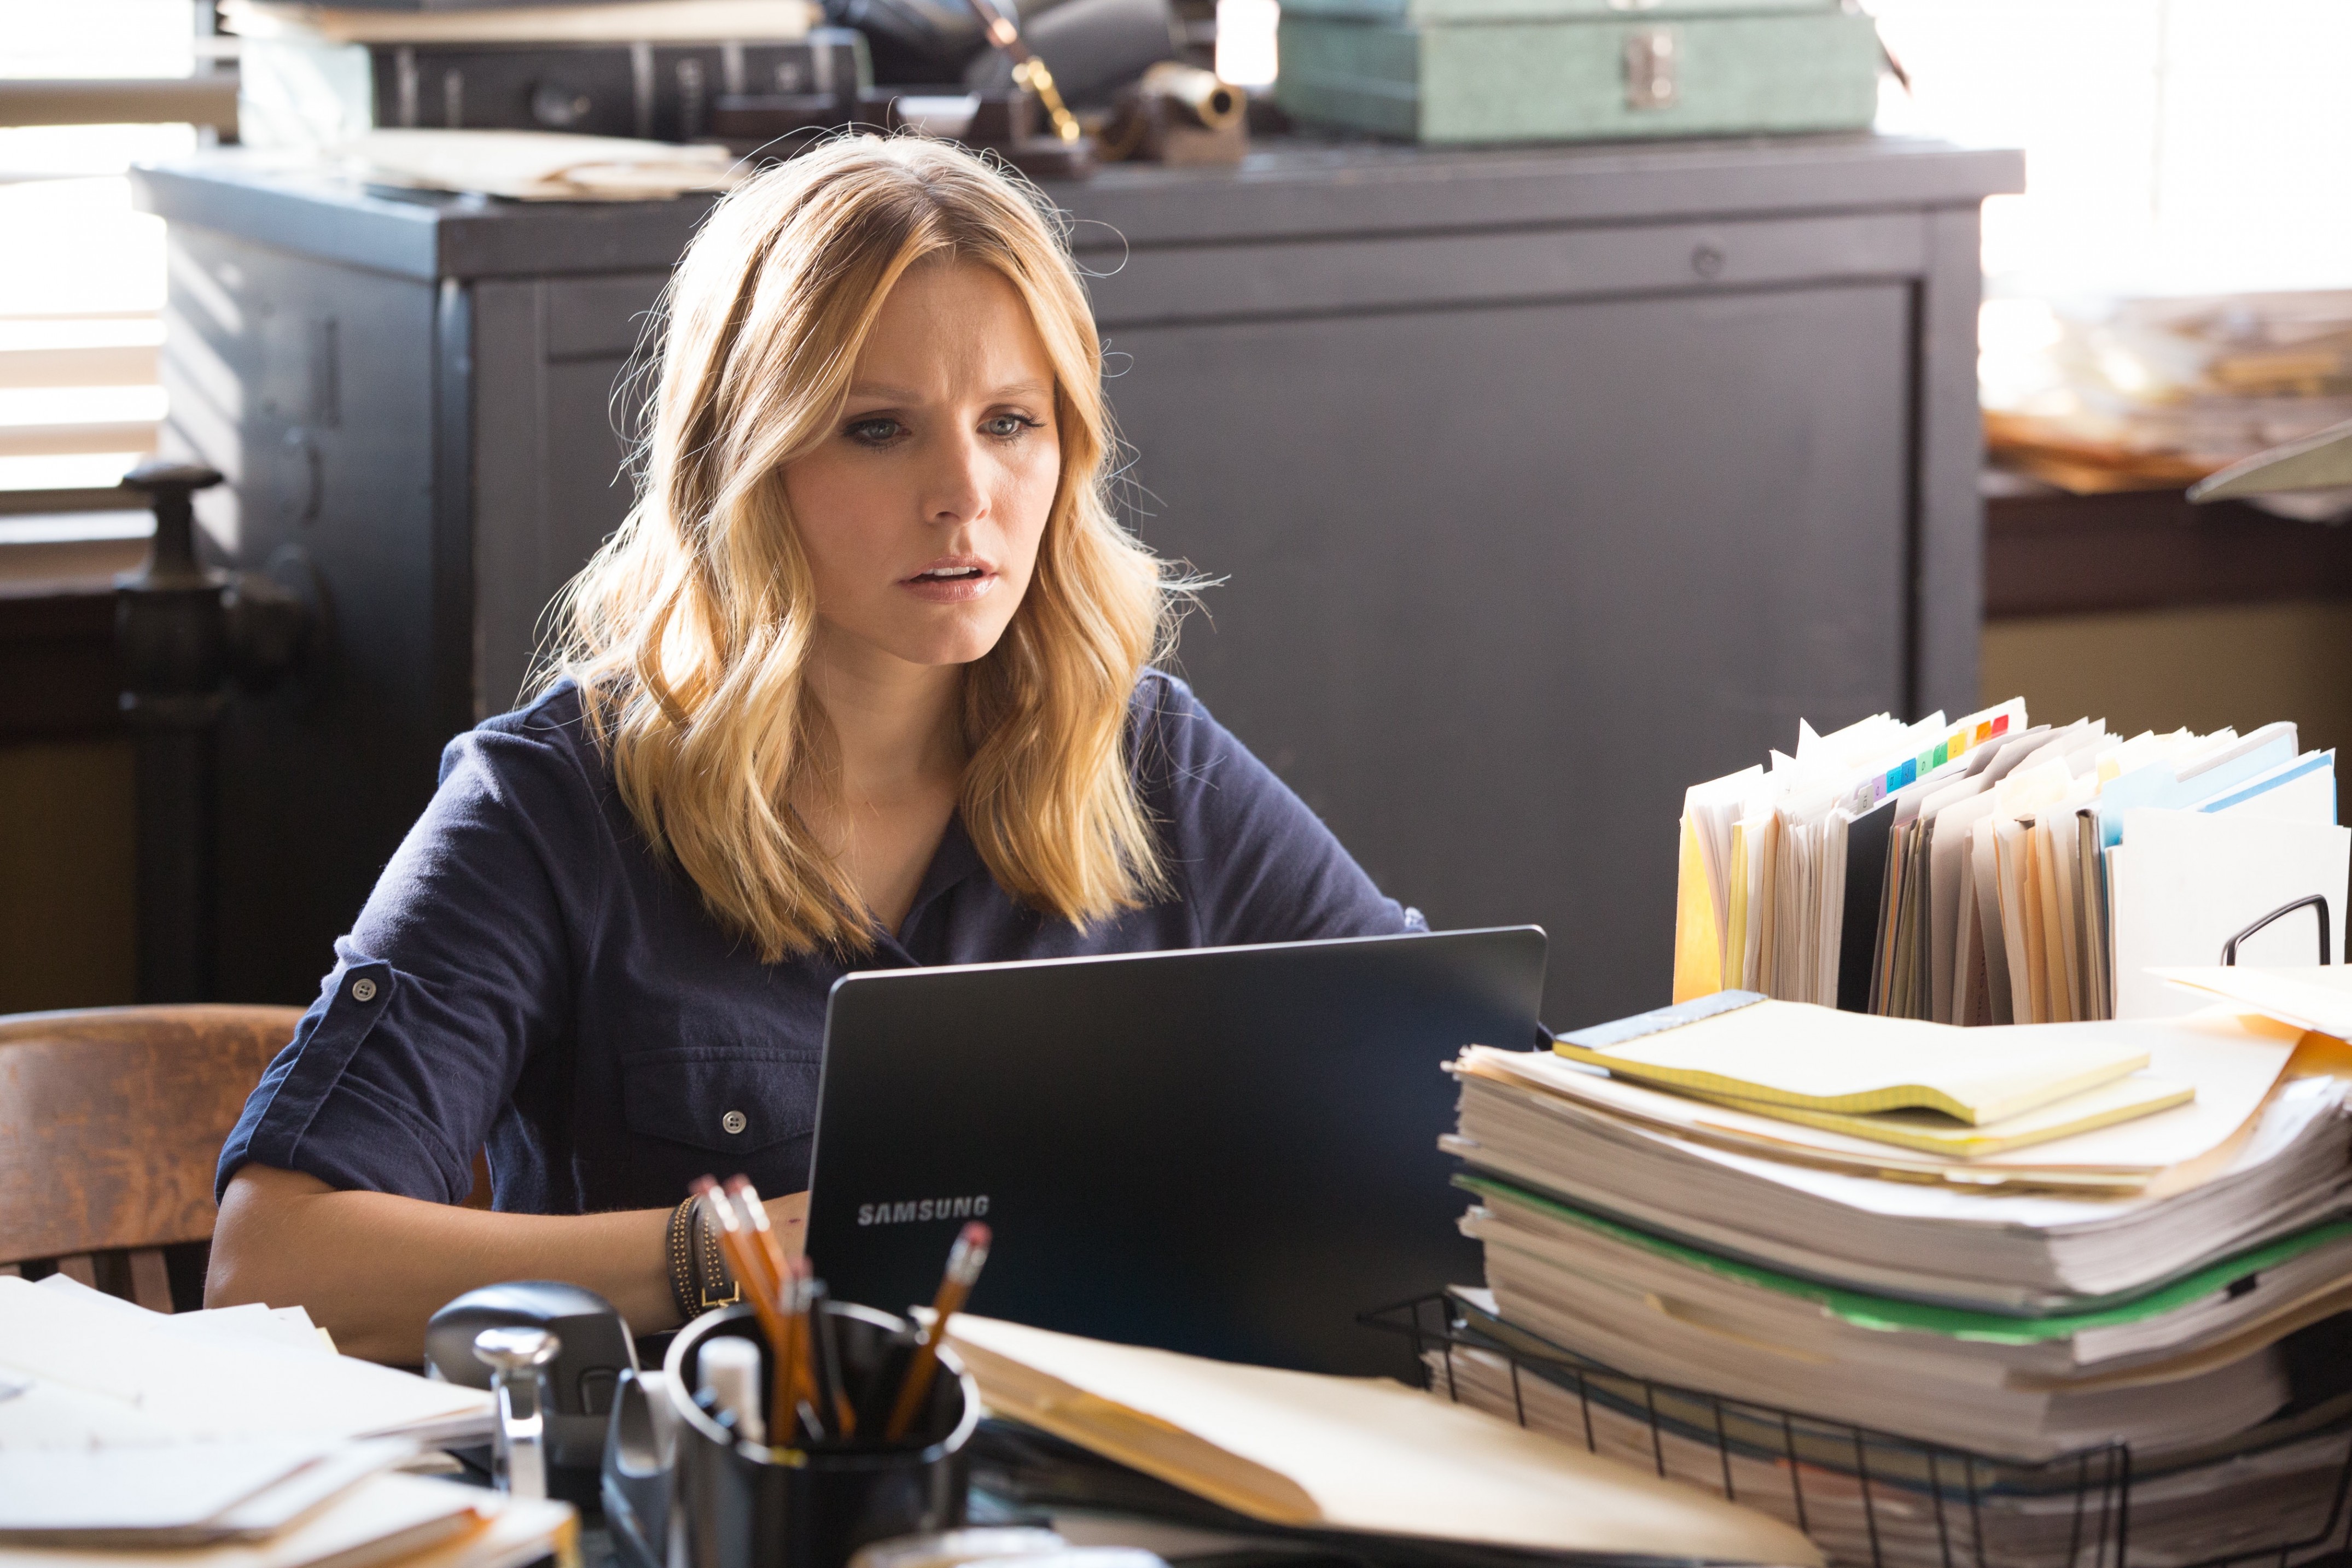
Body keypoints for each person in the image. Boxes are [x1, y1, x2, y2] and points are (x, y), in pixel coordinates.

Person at [208, 135, 1419, 1363]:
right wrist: (724, 1257)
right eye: (878, 429)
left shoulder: (1151, 758)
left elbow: (1450, 1091)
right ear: (742, 461)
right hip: (706, 1473)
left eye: (1011, 421)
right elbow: (272, 1267)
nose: (966, 493)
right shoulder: (550, 803)